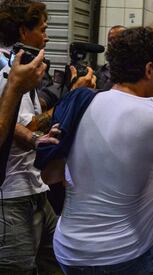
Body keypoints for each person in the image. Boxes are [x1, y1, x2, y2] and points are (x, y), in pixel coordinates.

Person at [41, 27, 153, 275]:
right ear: (149, 69)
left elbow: (54, 174)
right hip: (120, 253)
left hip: (68, 249)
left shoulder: (84, 102)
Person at [0, 1, 95, 274]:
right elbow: (24, 127)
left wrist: (38, 137)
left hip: (33, 187)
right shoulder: (7, 70)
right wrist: (71, 97)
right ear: (22, 31)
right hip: (11, 196)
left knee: (57, 259)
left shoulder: (17, 65)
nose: (47, 36)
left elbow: (25, 128)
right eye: (42, 29)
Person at [95, 25, 126, 91]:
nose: (110, 43)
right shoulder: (102, 71)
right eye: (110, 40)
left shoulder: (135, 72)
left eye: (116, 39)